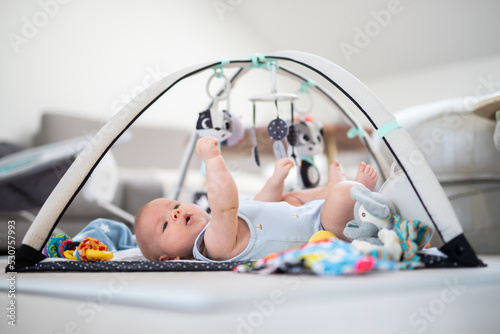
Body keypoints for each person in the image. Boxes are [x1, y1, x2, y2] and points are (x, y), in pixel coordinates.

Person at [135, 136, 378, 262]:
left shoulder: (223, 225)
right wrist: (212, 160)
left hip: (308, 211)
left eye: (175, 205)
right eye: (165, 225)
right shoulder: (215, 246)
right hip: (323, 230)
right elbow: (224, 206)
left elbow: (261, 204)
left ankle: (332, 189)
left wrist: (275, 181)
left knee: (289, 196)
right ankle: (355, 192)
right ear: (171, 259)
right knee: (337, 201)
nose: (175, 213)